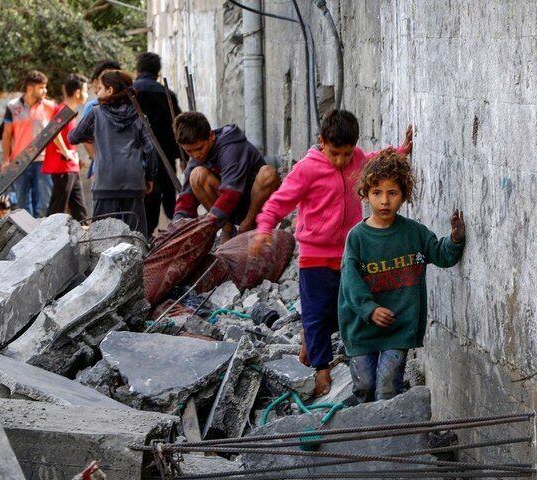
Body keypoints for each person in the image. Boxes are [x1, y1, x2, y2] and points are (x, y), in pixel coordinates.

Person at [249, 109, 413, 397]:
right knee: (316, 314)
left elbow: (377, 160)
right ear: (322, 141)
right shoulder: (307, 169)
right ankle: (321, 370)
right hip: (314, 256)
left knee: (347, 311)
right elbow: (280, 200)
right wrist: (264, 228)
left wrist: (401, 151)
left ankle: (313, 342)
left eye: (347, 154)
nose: (341, 161)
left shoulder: (358, 159)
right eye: (335, 153)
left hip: (349, 254)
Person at [338, 152, 465, 403]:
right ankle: (367, 435)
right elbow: (350, 281)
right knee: (365, 386)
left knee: (387, 387)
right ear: (365, 194)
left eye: (392, 193)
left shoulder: (413, 233)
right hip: (362, 328)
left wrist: (455, 239)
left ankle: (389, 436)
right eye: (377, 193)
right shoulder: (357, 238)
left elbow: (440, 255)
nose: (384, 201)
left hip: (399, 326)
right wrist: (370, 309)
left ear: (404, 195)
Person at [68, 70, 156, 238]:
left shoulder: (96, 113)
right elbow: (151, 149)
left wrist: (94, 135)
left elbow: (74, 137)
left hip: (105, 181)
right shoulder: (139, 115)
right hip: (133, 180)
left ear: (110, 91)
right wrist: (149, 176)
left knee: (102, 236)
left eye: (100, 88)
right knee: (135, 234)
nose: (97, 92)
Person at [172, 112, 280, 241]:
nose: (196, 155)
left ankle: (248, 226)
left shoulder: (232, 149)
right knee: (197, 176)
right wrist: (176, 226)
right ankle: (228, 230)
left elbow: (231, 193)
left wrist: (208, 225)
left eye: (199, 148)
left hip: (256, 206)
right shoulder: (196, 159)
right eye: (189, 151)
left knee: (268, 173)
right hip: (232, 210)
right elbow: (186, 199)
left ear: (211, 136)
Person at [134, 52, 183, 237]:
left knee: (145, 196)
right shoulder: (167, 94)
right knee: (171, 198)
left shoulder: (131, 91)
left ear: (138, 69)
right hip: (166, 155)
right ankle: (178, 234)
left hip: (139, 155)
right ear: (157, 72)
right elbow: (177, 126)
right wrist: (182, 156)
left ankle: (144, 235)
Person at [2, 70, 57, 217]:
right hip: (20, 162)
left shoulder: (50, 106)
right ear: (30, 88)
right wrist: (6, 160)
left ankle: (42, 236)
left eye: (45, 87)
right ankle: (27, 238)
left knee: (44, 203)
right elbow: (6, 135)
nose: (45, 90)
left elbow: (57, 134)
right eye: (41, 87)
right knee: (22, 205)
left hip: (43, 161)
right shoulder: (12, 106)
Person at [42, 73, 89, 220]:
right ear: (77, 92)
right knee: (57, 209)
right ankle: (45, 239)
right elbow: (53, 132)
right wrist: (66, 153)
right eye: (86, 90)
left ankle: (84, 239)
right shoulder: (63, 109)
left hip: (71, 168)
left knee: (80, 210)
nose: (87, 95)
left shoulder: (70, 111)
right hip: (62, 167)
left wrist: (74, 156)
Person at [81, 59, 122, 178]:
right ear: (96, 84)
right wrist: (98, 161)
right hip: (102, 172)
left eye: (115, 77)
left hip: (130, 171)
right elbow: (85, 138)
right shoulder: (92, 107)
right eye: (106, 78)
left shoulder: (131, 105)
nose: (111, 82)